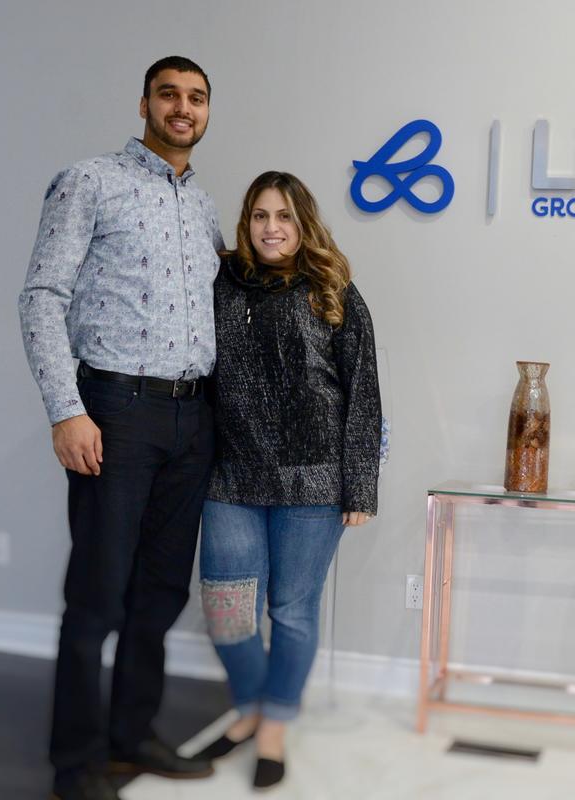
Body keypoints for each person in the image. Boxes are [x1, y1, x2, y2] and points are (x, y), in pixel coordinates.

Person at [18, 56, 221, 800]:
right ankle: (75, 765)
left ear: (206, 113)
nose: (183, 108)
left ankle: (129, 740)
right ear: (144, 103)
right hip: (117, 413)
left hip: (192, 420)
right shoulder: (90, 180)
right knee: (98, 596)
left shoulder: (202, 206)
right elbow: (42, 294)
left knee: (160, 594)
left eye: (196, 98)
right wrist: (67, 409)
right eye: (170, 94)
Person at [194, 172, 381, 790]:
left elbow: (364, 398)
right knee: (227, 612)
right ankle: (249, 705)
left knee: (291, 612)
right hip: (232, 475)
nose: (271, 228)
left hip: (315, 481)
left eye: (284, 217)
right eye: (259, 216)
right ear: (245, 223)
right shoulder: (218, 284)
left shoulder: (334, 291)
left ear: (304, 224)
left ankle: (272, 723)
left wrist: (359, 487)